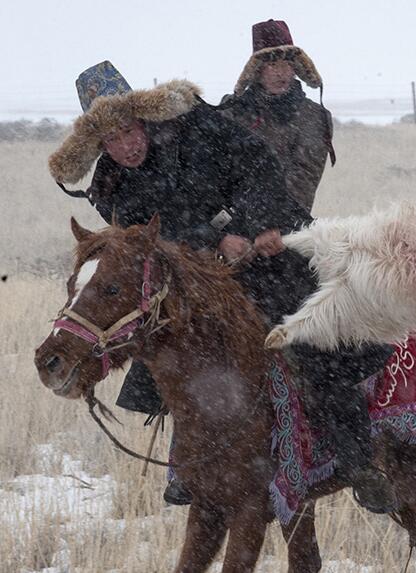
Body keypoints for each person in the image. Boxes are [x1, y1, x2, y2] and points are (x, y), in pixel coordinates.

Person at [48, 61, 398, 513]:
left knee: (311, 334)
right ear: (98, 146)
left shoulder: (196, 126)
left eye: (129, 131)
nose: (126, 146)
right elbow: (150, 236)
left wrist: (257, 225)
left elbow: (258, 163)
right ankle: (188, 463)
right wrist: (213, 241)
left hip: (267, 248)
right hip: (192, 276)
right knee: (173, 352)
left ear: (143, 119)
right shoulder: (112, 186)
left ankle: (357, 461)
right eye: (110, 140)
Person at [220, 19, 334, 213]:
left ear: (297, 68)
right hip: (230, 228)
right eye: (272, 64)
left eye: (287, 64)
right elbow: (216, 171)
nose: (281, 73)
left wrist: (262, 223)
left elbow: (302, 181)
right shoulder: (231, 111)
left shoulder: (313, 116)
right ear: (257, 70)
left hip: (284, 229)